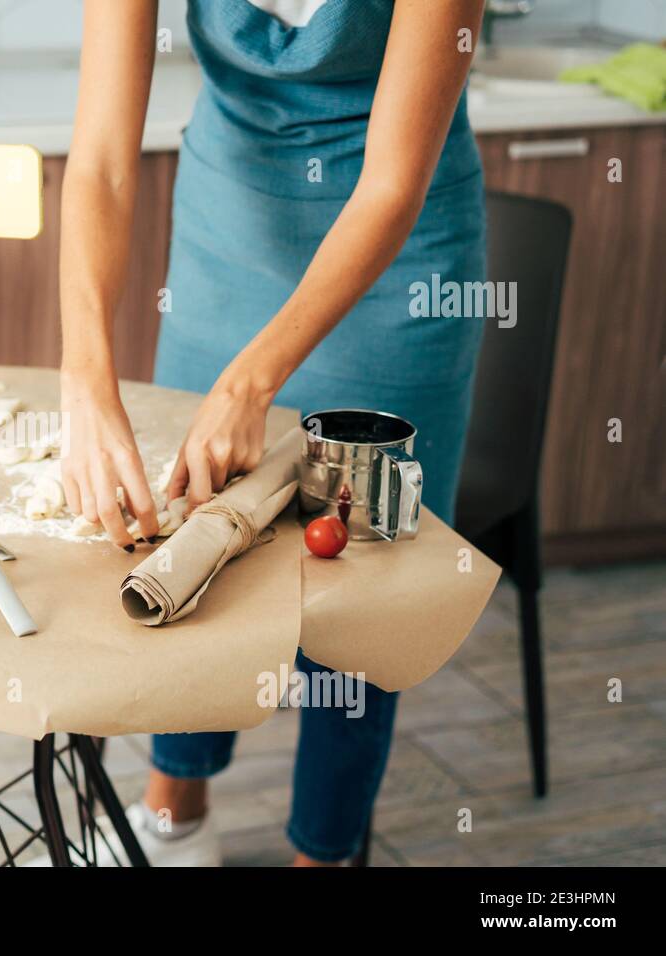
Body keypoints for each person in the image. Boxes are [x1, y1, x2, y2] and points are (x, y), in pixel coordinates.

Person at [58, 0, 487, 865]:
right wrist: (85, 375)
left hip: (394, 264)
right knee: (191, 537)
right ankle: (174, 820)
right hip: (229, 241)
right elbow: (102, 159)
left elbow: (391, 184)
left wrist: (252, 382)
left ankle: (325, 853)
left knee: (361, 589)